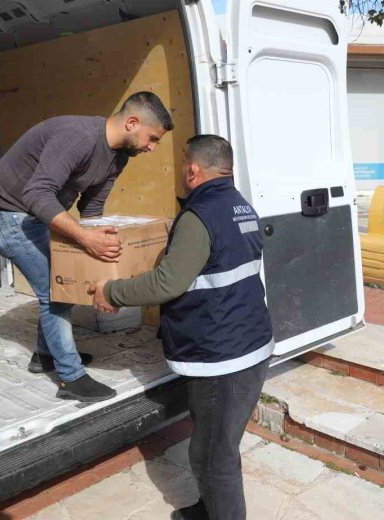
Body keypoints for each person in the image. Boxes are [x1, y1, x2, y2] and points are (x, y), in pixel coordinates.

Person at [90, 135, 273, 520]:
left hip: (220, 357)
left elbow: (166, 283)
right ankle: (209, 510)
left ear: (193, 170)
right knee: (214, 446)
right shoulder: (242, 206)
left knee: (213, 455)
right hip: (249, 345)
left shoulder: (198, 216)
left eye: (183, 165)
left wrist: (112, 290)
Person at [0, 92, 173, 402]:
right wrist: (85, 239)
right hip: (6, 216)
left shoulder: (119, 155)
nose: (152, 147)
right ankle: (70, 378)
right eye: (152, 139)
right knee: (55, 290)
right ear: (132, 122)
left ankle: (44, 356)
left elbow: (93, 207)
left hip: (36, 214)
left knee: (62, 286)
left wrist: (99, 248)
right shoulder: (78, 137)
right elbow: (37, 194)